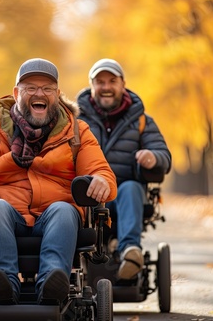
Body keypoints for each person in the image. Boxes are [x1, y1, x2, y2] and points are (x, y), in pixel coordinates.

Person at [0, 58, 117, 304]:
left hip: (57, 214)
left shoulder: (77, 132)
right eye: (30, 87)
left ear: (57, 94)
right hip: (6, 213)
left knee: (64, 210)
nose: (39, 93)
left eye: (47, 89)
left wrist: (101, 181)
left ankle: (53, 282)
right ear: (16, 92)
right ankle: (3, 284)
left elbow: (100, 170)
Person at [76, 58, 171, 280]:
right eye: (100, 82)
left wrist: (153, 157)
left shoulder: (141, 121)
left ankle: (130, 252)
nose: (106, 87)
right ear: (92, 85)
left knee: (130, 188)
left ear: (123, 84)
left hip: (123, 198)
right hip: (86, 197)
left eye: (112, 81)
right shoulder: (75, 121)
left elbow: (164, 155)